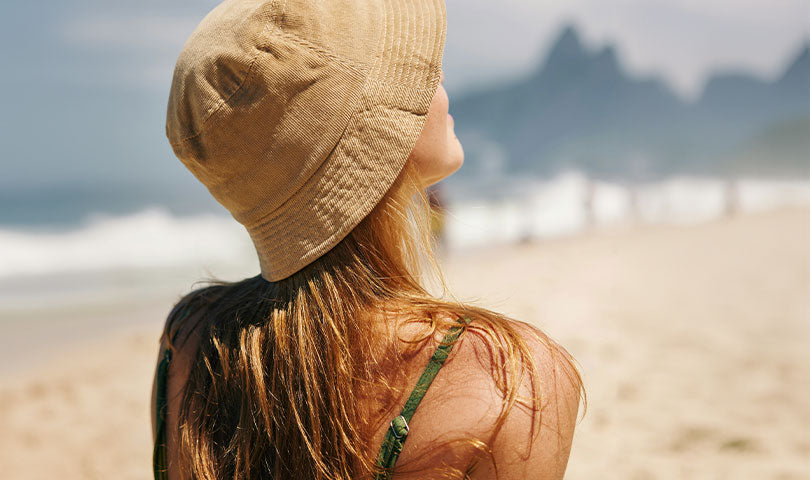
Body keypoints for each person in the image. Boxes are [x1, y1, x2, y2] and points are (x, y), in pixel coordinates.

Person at [151, 1, 583, 479]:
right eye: (416, 72)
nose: (439, 85)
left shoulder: (189, 344)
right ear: (374, 129)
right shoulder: (508, 380)